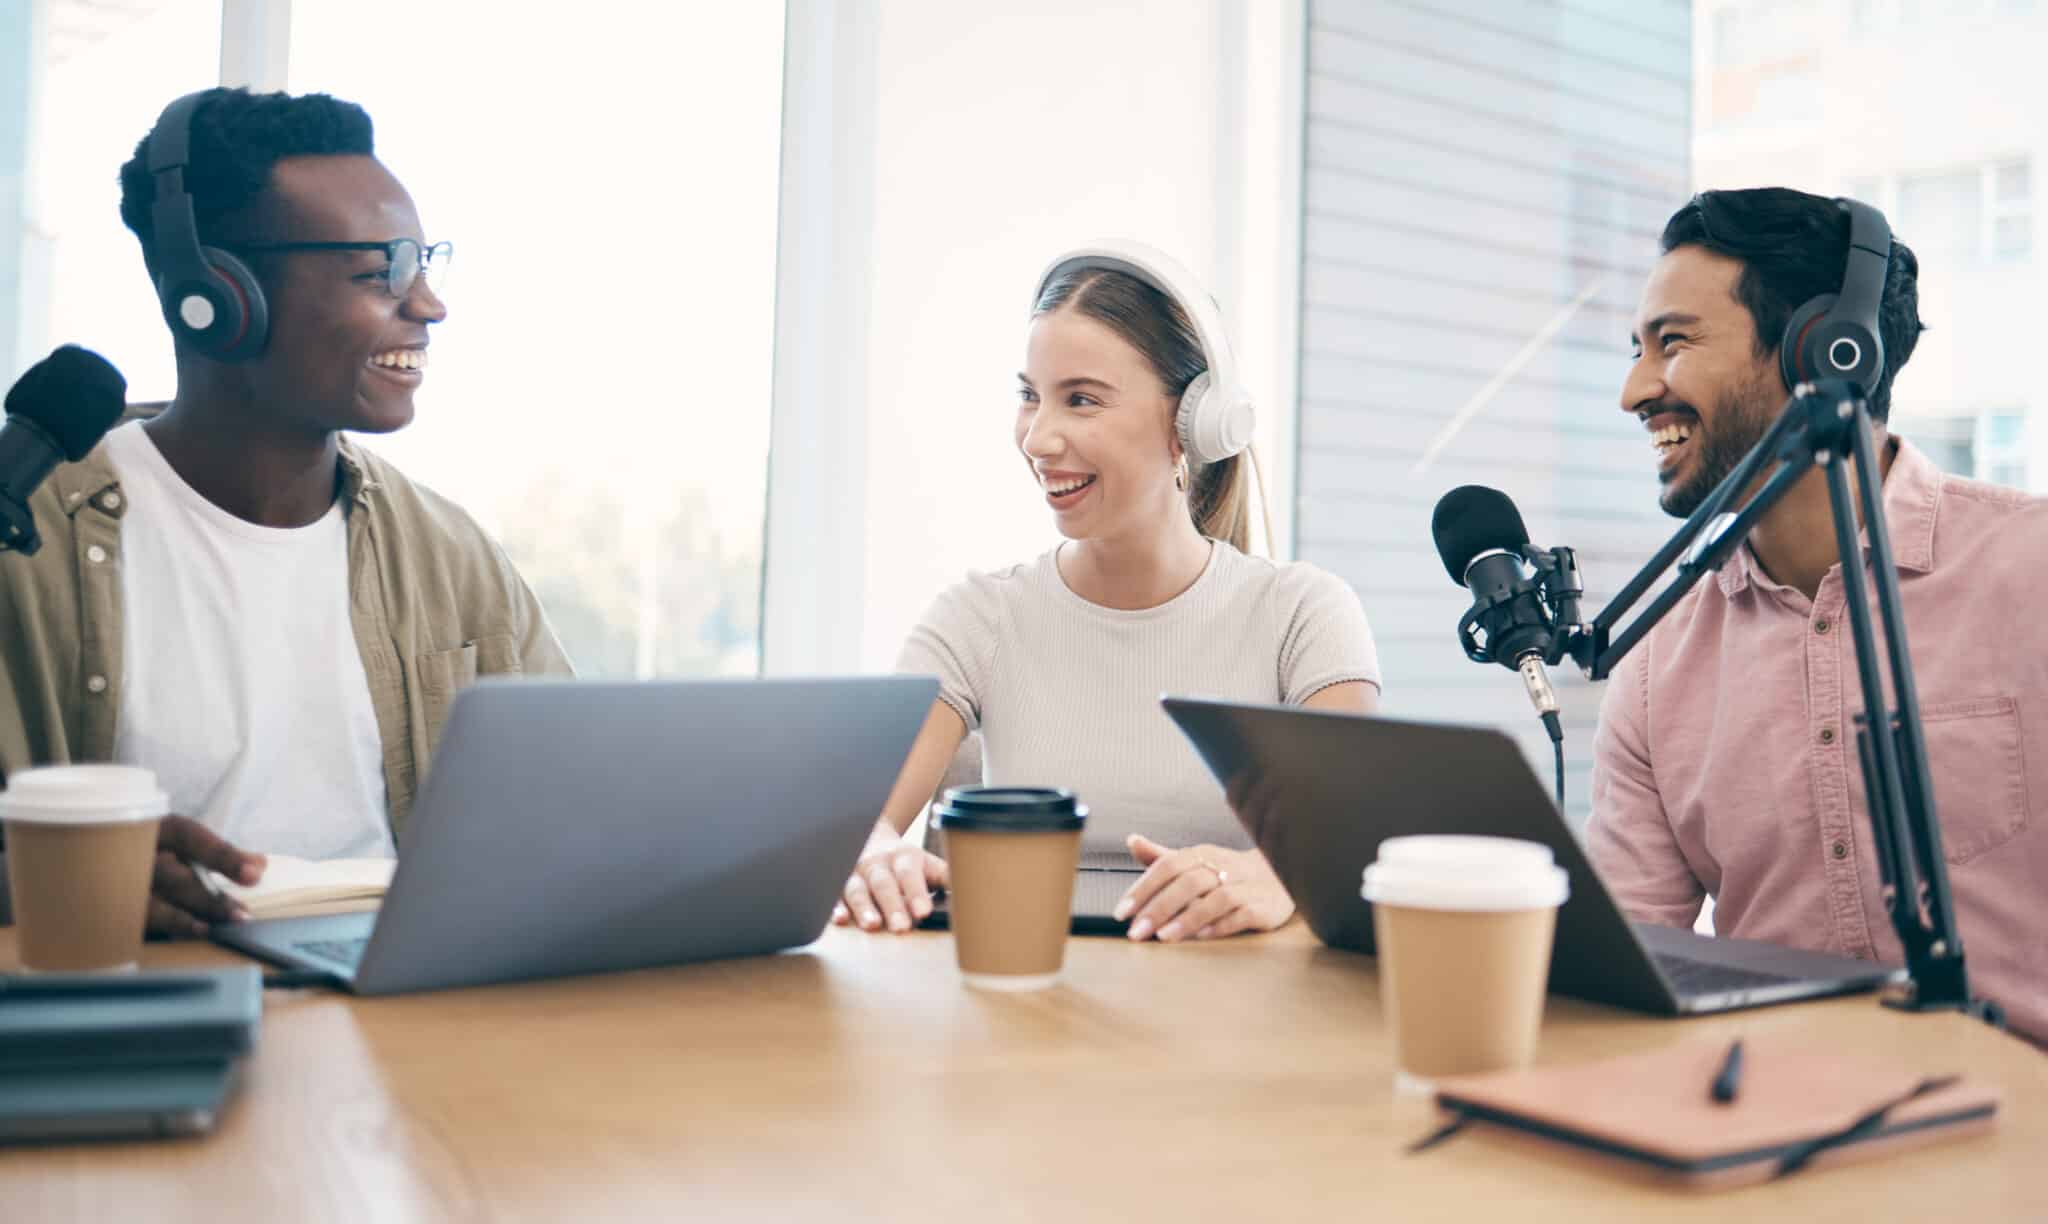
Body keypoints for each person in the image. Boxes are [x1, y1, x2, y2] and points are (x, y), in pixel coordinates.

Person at [0, 87, 571, 938]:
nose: (428, 306)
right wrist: (45, 882)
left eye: (424, 263)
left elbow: (578, 813)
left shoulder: (449, 555)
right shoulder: (25, 533)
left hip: (407, 1025)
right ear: (215, 296)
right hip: (151, 1025)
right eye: (382, 270)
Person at [1589, 187, 2047, 1042]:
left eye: (1673, 343)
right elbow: (1623, 965)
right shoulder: (1656, 663)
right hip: (1781, 1125)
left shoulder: (2033, 575)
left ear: (1826, 352)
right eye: (1637, 351)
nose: (1635, 391)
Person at [836, 243, 1380, 944]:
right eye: (1029, 395)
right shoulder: (980, 615)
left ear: (1193, 423)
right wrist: (871, 853)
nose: (1038, 438)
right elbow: (858, 821)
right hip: (1021, 1003)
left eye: (1081, 400)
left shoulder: (1303, 616)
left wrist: (1277, 875)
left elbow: (1354, 841)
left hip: (1232, 1017)